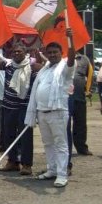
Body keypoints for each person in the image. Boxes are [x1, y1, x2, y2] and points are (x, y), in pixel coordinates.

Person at [24, 30, 76, 188]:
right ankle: (52, 170)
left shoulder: (65, 69)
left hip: (58, 112)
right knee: (47, 143)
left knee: (60, 144)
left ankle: (62, 174)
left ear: (61, 53)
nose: (52, 55)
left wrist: (70, 39)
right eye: (50, 52)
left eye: (55, 52)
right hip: (42, 112)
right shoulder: (45, 70)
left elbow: (72, 58)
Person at [0, 44, 41, 175]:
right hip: (8, 106)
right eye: (14, 52)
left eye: (19, 51)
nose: (16, 54)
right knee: (8, 135)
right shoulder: (8, 65)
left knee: (25, 137)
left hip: (25, 108)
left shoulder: (33, 67)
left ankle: (26, 164)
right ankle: (12, 162)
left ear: (25, 53)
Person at [68, 50, 94, 155]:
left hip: (80, 96)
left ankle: (82, 147)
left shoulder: (84, 59)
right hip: (65, 97)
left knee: (81, 123)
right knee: (65, 123)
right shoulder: (63, 58)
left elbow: (90, 75)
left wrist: (88, 90)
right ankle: (65, 148)